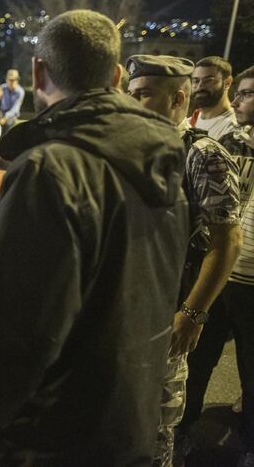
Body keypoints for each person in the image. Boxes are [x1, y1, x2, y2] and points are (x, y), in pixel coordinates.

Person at [0, 10, 191, 466]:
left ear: (37, 72)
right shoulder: (165, 163)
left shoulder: (53, 171)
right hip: (127, 434)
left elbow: (6, 349)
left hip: (51, 443)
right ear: (118, 75)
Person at [126, 54, 241, 466]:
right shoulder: (131, 147)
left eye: (142, 95)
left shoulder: (202, 154)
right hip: (122, 313)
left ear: (177, 97)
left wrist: (193, 313)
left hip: (166, 316)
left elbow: (227, 242)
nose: (132, 103)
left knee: (155, 431)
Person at [176, 65, 254, 465]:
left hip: (252, 279)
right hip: (224, 274)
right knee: (197, 360)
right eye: (239, 93)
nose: (240, 101)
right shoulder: (231, 142)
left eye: (248, 94)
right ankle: (184, 437)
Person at [190, 56, 237, 140]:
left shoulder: (234, 128)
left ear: (227, 83)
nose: (199, 86)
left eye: (208, 80)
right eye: (196, 81)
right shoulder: (189, 122)